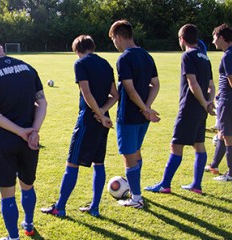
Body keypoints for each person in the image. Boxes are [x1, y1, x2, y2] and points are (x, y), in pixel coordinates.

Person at [0, 31, 47, 240]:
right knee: (27, 185)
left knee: (7, 194)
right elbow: (42, 102)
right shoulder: (28, 68)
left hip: (5, 140)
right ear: (0, 47)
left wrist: (21, 132)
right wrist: (33, 130)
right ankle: (29, 224)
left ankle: (13, 237)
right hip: (30, 140)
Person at [40, 35, 118, 217]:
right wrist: (103, 113)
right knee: (99, 163)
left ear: (77, 50)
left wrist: (97, 113)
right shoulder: (106, 64)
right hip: (103, 120)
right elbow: (115, 95)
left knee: (72, 163)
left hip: (88, 119)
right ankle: (95, 207)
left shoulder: (81, 64)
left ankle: (59, 207)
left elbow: (86, 92)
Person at [145, 24, 216, 194]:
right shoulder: (205, 58)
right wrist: (208, 102)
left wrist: (203, 102)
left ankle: (165, 184)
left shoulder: (187, 56)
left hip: (190, 108)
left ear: (182, 39)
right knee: (199, 144)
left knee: (176, 145)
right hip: (201, 109)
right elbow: (211, 86)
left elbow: (192, 83)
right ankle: (197, 185)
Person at [109, 20, 160, 208]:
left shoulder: (124, 59)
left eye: (113, 39)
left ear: (119, 36)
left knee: (129, 156)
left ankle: (136, 198)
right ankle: (134, 190)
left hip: (129, 116)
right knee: (136, 153)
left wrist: (145, 109)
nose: (114, 44)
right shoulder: (147, 56)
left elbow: (130, 90)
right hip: (142, 117)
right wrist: (146, 107)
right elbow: (156, 85)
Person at [206, 23, 232, 181]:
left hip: (227, 101)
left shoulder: (228, 55)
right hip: (226, 99)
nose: (213, 41)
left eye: (215, 37)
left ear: (222, 38)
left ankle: (230, 173)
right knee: (223, 133)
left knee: (228, 137)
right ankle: (214, 165)